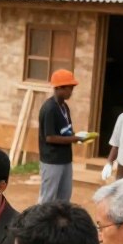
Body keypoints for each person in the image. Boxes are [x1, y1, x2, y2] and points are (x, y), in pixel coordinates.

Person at [37, 69, 88, 203]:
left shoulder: (64, 106)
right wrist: (75, 139)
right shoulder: (49, 109)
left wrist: (78, 136)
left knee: (64, 197)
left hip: (65, 158)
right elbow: (50, 137)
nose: (71, 92)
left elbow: (66, 131)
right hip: (52, 159)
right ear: (59, 88)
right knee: (47, 198)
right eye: (69, 88)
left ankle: (60, 223)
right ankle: (40, 223)